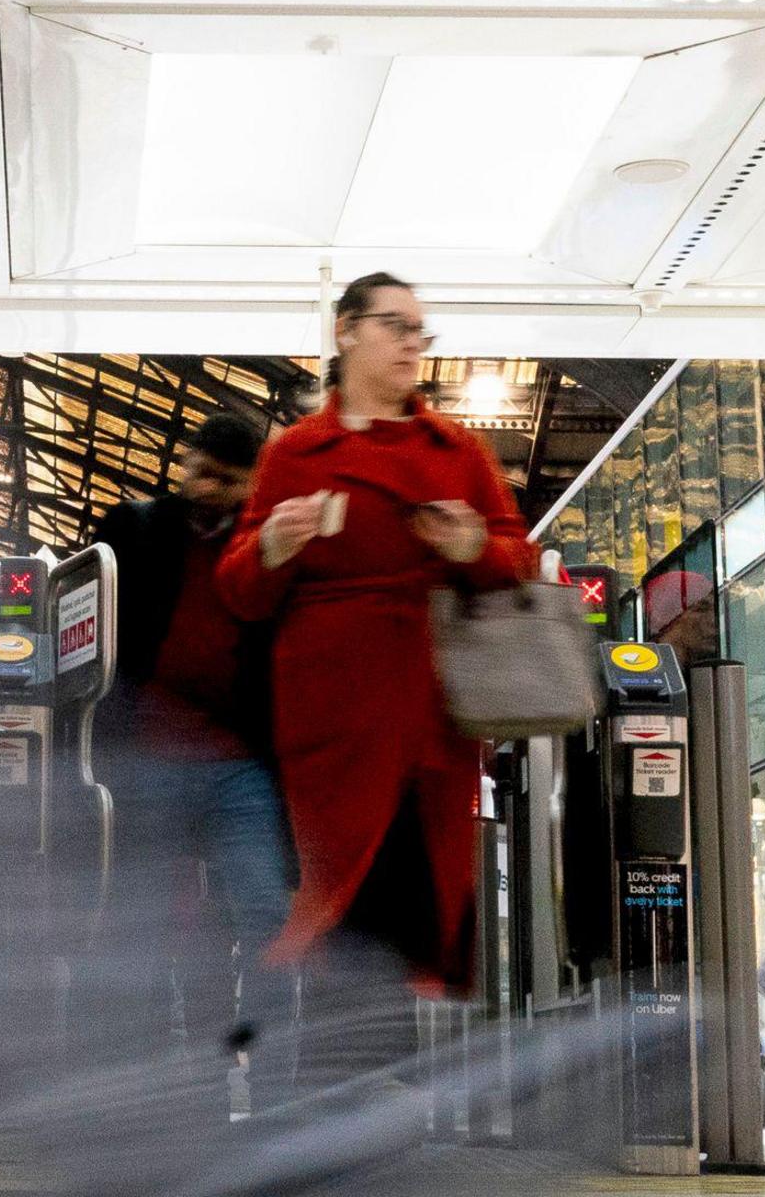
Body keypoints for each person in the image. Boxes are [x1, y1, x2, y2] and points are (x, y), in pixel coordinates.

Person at [217, 274, 538, 1082]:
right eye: (396, 326)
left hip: (430, 723)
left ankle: (373, 1126)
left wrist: (471, 551)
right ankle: (331, 1115)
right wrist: (273, 549)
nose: (411, 345)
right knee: (333, 914)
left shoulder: (456, 451)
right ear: (346, 331)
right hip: (330, 728)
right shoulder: (293, 453)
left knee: (403, 922)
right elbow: (240, 592)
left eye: (421, 332)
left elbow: (518, 560)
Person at [86, 410, 294, 1081]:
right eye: (199, 471)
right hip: (150, 757)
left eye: (225, 481)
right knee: (144, 923)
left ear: (252, 485)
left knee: (264, 911)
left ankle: (267, 1070)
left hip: (240, 762)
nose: (206, 489)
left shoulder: (270, 547)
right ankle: (148, 1073)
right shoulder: (136, 531)